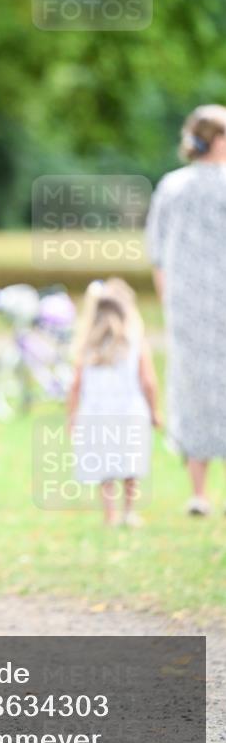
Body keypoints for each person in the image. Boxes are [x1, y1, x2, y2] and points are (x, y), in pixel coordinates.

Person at [145, 104, 226, 516]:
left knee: (191, 389)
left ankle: (199, 492)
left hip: (185, 306)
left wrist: (169, 300)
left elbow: (156, 250)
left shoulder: (172, 186)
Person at [67, 278, 161, 527]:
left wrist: (72, 416)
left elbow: (75, 385)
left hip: (96, 413)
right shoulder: (135, 342)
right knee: (130, 464)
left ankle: (109, 514)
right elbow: (148, 381)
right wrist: (155, 411)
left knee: (104, 464)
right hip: (130, 411)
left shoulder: (87, 345)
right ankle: (129, 511)